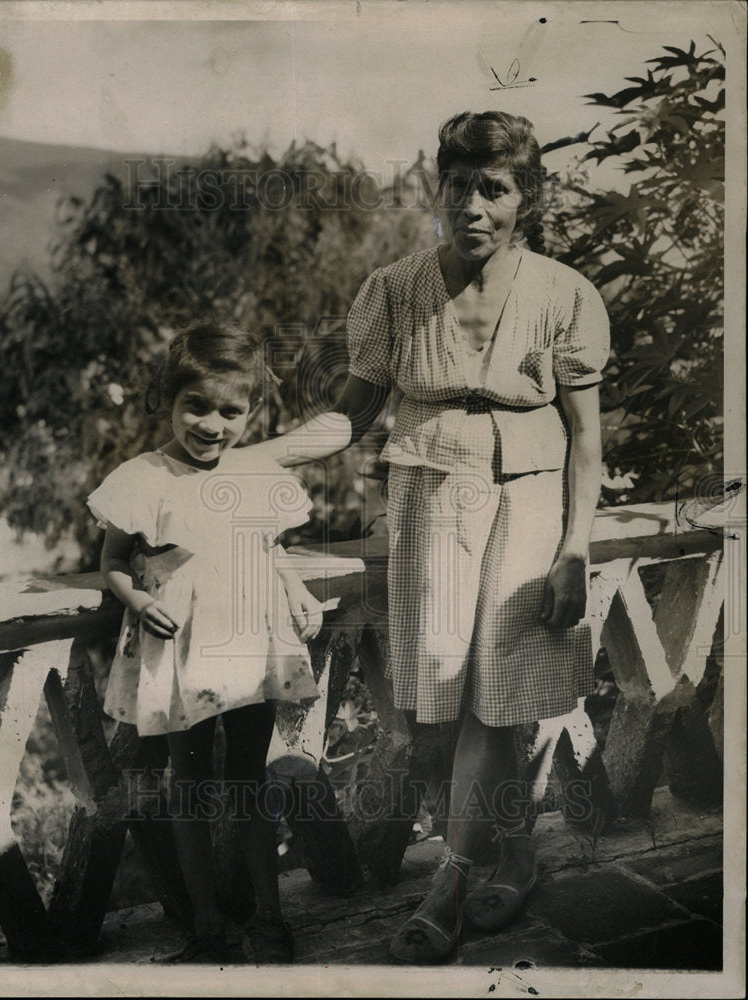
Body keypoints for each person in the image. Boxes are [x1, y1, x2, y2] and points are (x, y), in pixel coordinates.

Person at [245, 110, 609, 963]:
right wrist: (249, 457)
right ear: (435, 188)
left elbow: (588, 439)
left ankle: (448, 883)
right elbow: (349, 416)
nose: (476, 204)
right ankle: (515, 859)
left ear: (528, 198)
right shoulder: (396, 290)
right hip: (428, 497)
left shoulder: (564, 295)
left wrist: (576, 549)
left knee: (496, 694)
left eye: (498, 187)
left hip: (530, 501)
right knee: (447, 699)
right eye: (461, 185)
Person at [87, 320, 323, 964]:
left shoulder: (253, 471)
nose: (212, 424)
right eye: (197, 406)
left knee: (248, 780)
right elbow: (112, 560)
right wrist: (135, 600)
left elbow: (268, 545)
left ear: (250, 412)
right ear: (167, 400)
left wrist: (298, 591)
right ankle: (207, 928)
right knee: (188, 785)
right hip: (181, 648)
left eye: (230, 410)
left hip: (249, 640)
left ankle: (270, 919)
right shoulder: (142, 477)